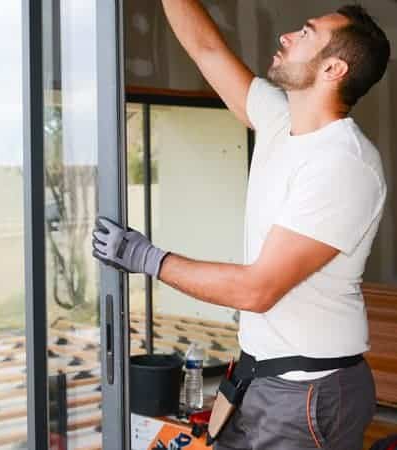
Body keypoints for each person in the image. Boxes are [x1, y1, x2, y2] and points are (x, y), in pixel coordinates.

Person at [92, 2, 391, 449]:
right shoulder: (280, 121)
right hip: (258, 376)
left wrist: (146, 258)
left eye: (305, 34)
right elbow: (207, 48)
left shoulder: (342, 165)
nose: (286, 37)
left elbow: (257, 290)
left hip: (307, 393)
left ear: (333, 68)